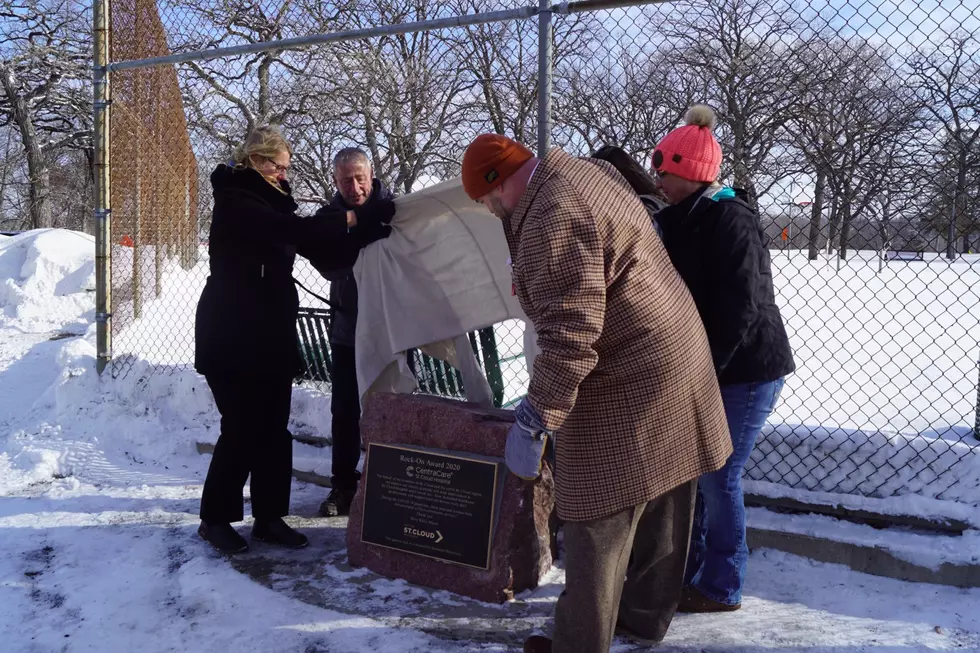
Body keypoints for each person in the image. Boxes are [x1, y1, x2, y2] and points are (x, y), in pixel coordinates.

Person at [460, 134, 733, 653]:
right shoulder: (579, 173)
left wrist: (536, 415)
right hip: (676, 355)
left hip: (630, 375)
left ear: (499, 183)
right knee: (666, 496)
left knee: (595, 517)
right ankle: (643, 617)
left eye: (486, 199)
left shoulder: (550, 214)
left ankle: (577, 645)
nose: (490, 211)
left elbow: (570, 334)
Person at [194, 126, 395, 554]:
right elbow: (292, 230)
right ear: (258, 162)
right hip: (230, 333)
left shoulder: (274, 199)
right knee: (242, 427)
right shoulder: (236, 199)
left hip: (269, 332)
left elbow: (322, 252)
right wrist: (353, 218)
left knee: (272, 428)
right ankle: (214, 519)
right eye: (280, 168)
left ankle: (269, 517)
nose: (285, 176)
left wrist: (363, 236)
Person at [649, 105, 796, 613]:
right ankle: (688, 572)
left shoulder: (730, 219)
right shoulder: (683, 217)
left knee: (719, 475)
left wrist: (703, 369)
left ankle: (722, 586)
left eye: (664, 171)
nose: (658, 180)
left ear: (688, 172)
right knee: (697, 473)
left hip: (747, 370)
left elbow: (741, 308)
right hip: (711, 368)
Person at [315, 148, 395, 517]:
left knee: (392, 405)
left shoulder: (398, 210)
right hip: (348, 330)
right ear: (335, 182)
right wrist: (357, 226)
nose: (355, 186)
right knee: (345, 410)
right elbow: (330, 265)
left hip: (394, 330)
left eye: (360, 177)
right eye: (346, 179)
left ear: (372, 173)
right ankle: (344, 485)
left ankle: (388, 482)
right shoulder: (329, 218)